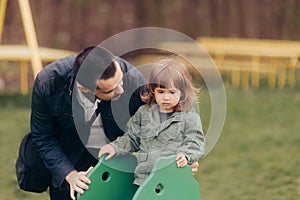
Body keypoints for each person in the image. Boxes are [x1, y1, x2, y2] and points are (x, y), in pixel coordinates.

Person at [29, 47, 200, 200]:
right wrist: (69, 174)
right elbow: (43, 137)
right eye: (111, 90)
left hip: (112, 158)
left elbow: (163, 121)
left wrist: (183, 156)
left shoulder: (133, 80)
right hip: (68, 155)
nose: (121, 90)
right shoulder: (48, 84)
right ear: (84, 88)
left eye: (120, 81)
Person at [98, 58, 205, 185]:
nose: (166, 97)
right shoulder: (144, 112)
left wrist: (186, 155)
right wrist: (114, 147)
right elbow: (132, 138)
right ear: (153, 90)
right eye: (161, 91)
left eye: (172, 92)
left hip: (172, 180)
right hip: (144, 180)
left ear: (182, 92)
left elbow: (195, 142)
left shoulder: (190, 118)